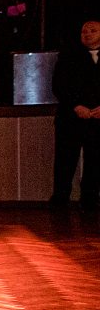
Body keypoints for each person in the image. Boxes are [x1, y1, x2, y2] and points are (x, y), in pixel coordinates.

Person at [50, 18, 100, 209]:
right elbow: (59, 85)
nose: (87, 34)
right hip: (70, 117)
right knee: (65, 160)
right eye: (84, 31)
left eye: (93, 31)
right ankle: (60, 198)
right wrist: (76, 105)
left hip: (97, 118)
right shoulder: (68, 56)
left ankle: (90, 199)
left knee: (95, 159)